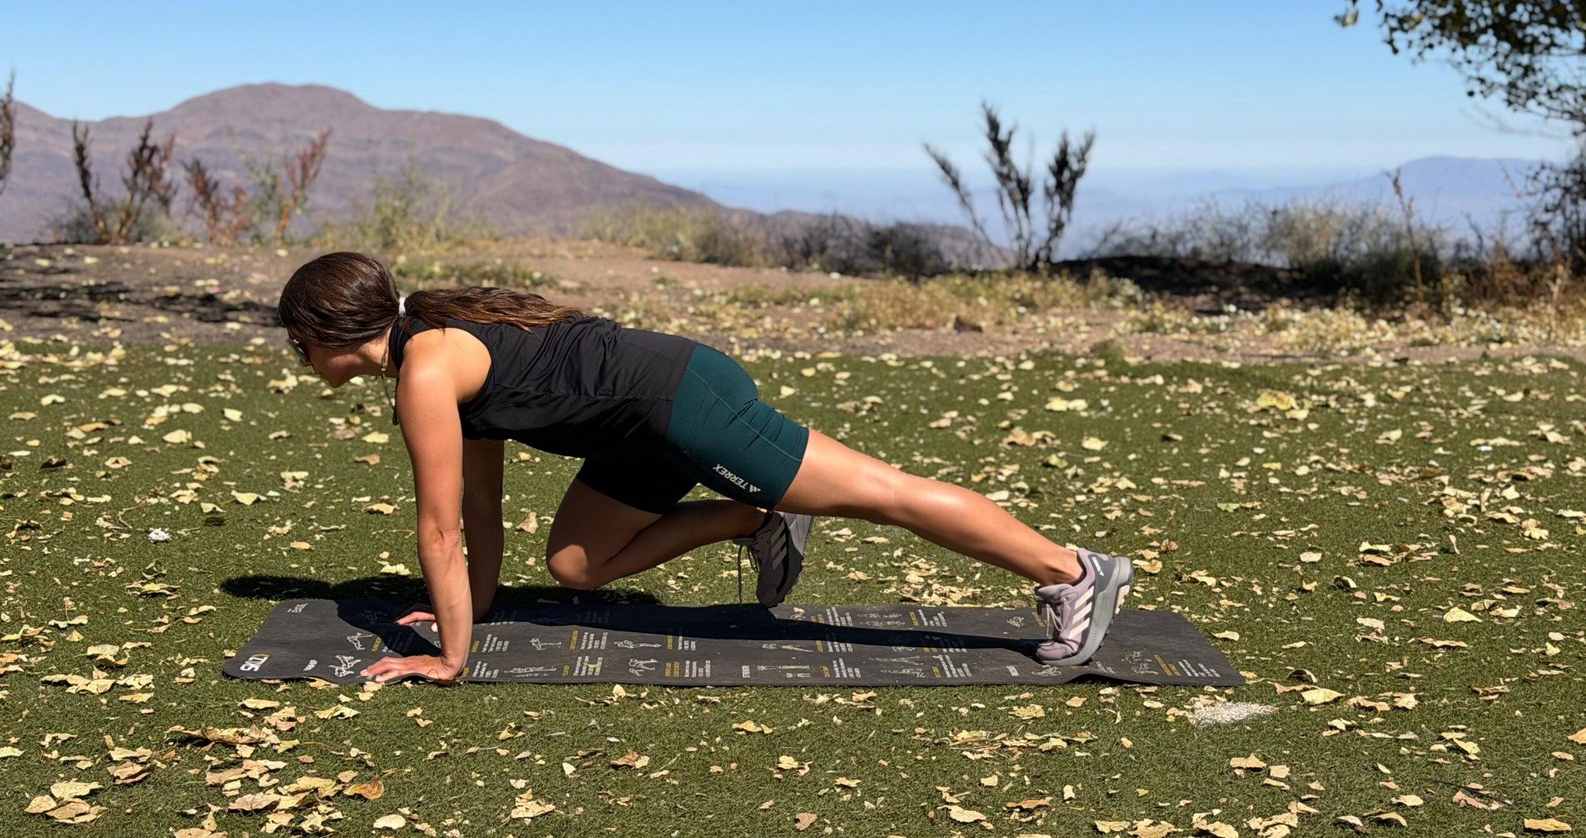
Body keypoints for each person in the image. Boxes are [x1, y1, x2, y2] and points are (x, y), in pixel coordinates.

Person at [277, 252, 1133, 685]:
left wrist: (451, 659)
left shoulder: (425, 371)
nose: (298, 357)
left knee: (883, 495)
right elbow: (479, 508)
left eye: (297, 342)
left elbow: (438, 529)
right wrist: (478, 609)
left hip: (680, 398)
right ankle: (757, 519)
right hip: (637, 425)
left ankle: (1071, 572)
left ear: (326, 336)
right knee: (579, 563)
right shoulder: (432, 353)